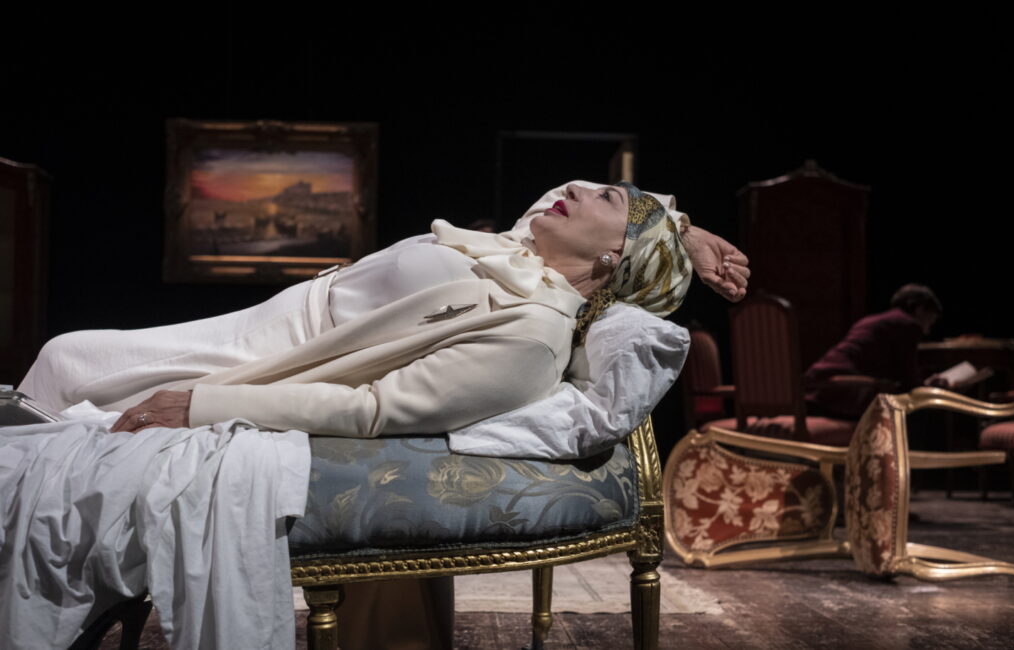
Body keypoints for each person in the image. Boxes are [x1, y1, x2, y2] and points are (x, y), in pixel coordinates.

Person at [9, 180, 750, 649]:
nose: (575, 190)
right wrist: (683, 229)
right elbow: (584, 205)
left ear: (617, 254)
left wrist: (202, 403)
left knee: (67, 369)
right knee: (67, 361)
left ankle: (74, 595)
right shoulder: (520, 247)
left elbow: (372, 409)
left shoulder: (532, 337)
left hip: (282, 355)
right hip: (272, 317)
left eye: (606, 199)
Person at [805, 283, 945, 420]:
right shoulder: (907, 324)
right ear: (920, 309)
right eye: (929, 321)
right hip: (840, 394)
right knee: (923, 412)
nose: (927, 331)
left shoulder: (872, 320)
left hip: (814, 387)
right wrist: (929, 387)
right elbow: (908, 379)